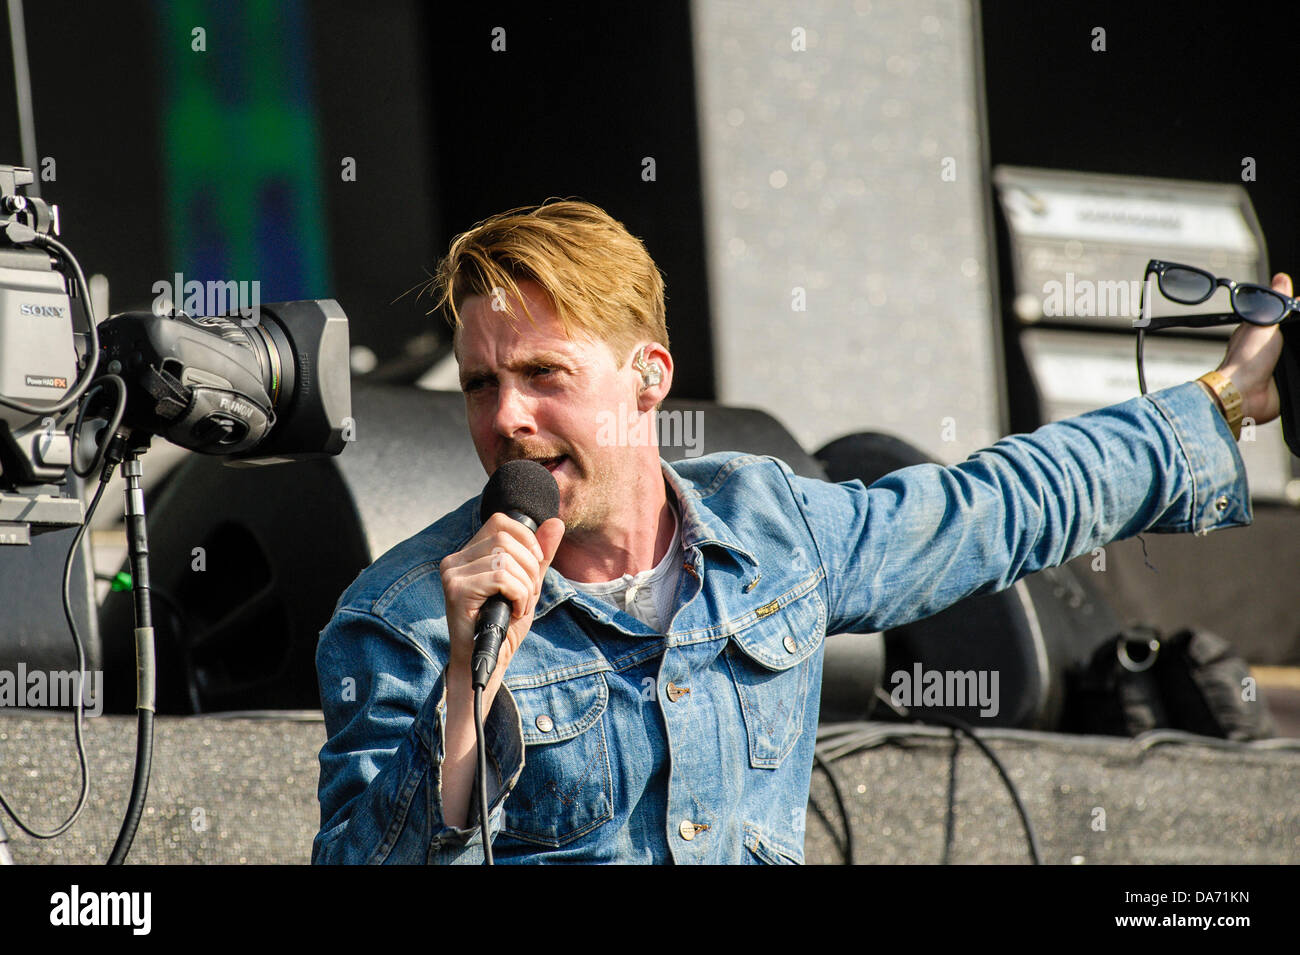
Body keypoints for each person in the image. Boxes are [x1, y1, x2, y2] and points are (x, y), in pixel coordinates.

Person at [311, 199, 1285, 864]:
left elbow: (999, 504)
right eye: (482, 383)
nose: (507, 416)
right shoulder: (405, 618)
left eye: (544, 375)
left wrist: (1221, 402)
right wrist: (464, 700)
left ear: (647, 376)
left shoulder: (767, 528)